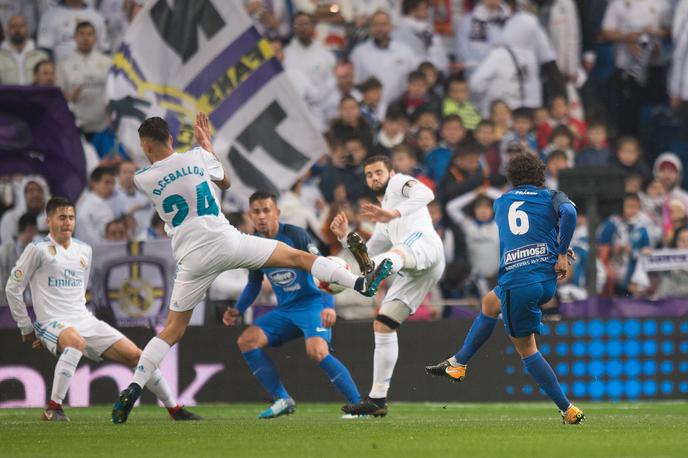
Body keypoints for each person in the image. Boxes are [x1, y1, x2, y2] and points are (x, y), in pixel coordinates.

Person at [111, 113, 392, 423]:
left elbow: (164, 177)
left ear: (145, 146)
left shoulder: (143, 177)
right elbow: (226, 183)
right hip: (226, 241)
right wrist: (207, 148)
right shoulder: (197, 156)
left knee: (172, 329)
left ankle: (134, 387)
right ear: (172, 139)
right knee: (299, 258)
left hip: (191, 257)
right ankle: (360, 284)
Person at [5, 197, 199, 422]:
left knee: (137, 355)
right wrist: (26, 327)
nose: (67, 222)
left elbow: (81, 291)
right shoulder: (37, 249)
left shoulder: (84, 250)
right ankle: (53, 408)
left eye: (71, 217)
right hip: (52, 321)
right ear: (48, 220)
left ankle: (175, 410)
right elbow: (13, 288)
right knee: (75, 342)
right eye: (61, 217)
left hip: (83, 319)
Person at [425, 152, 585, 424]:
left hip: (519, 282)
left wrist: (557, 251)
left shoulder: (500, 203)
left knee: (527, 349)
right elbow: (567, 212)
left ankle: (567, 409)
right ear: (541, 176)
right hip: (546, 279)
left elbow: (522, 230)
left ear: (512, 179)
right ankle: (458, 362)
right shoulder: (551, 196)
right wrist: (560, 251)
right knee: (489, 303)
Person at [223, 192, 361, 419]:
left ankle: (359, 407)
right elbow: (254, 283)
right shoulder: (253, 245)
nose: (261, 216)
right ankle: (282, 399)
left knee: (316, 350)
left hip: (313, 304)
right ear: (250, 215)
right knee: (247, 340)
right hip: (286, 311)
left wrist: (328, 305)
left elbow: (323, 267)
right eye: (256, 212)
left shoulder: (295, 235)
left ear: (277, 213)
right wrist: (238, 309)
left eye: (266, 210)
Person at [330, 154, 445, 417]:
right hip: (416, 272)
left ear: (390, 173)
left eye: (378, 172)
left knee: (398, 252)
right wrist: (345, 238)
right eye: (369, 175)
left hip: (425, 245)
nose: (374, 178)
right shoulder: (383, 226)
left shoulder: (399, 184)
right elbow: (365, 260)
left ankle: (381, 272)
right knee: (383, 324)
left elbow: (426, 193)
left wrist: (393, 212)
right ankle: (377, 399)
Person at [350, 10, 420, 110]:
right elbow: (355, 84)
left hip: (399, 108)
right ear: (370, 28)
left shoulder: (405, 51)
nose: (380, 29)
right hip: (369, 109)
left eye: (383, 24)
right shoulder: (359, 53)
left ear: (391, 27)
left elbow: (415, 78)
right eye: (375, 25)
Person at [0, 213, 38, 306]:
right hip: (7, 308)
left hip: (31, 308)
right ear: (30, 229)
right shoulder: (4, 253)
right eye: (36, 231)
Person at [0, 15, 49, 84]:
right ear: (7, 30)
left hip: (35, 94)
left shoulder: (41, 57)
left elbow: (47, 83)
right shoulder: (1, 57)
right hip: (7, 94)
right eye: (13, 26)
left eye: (21, 26)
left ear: (27, 29)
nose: (17, 30)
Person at [74, 166, 116, 246]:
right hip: (96, 251)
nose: (111, 187)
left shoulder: (88, 201)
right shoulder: (93, 204)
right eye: (107, 182)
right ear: (93, 183)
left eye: (112, 183)